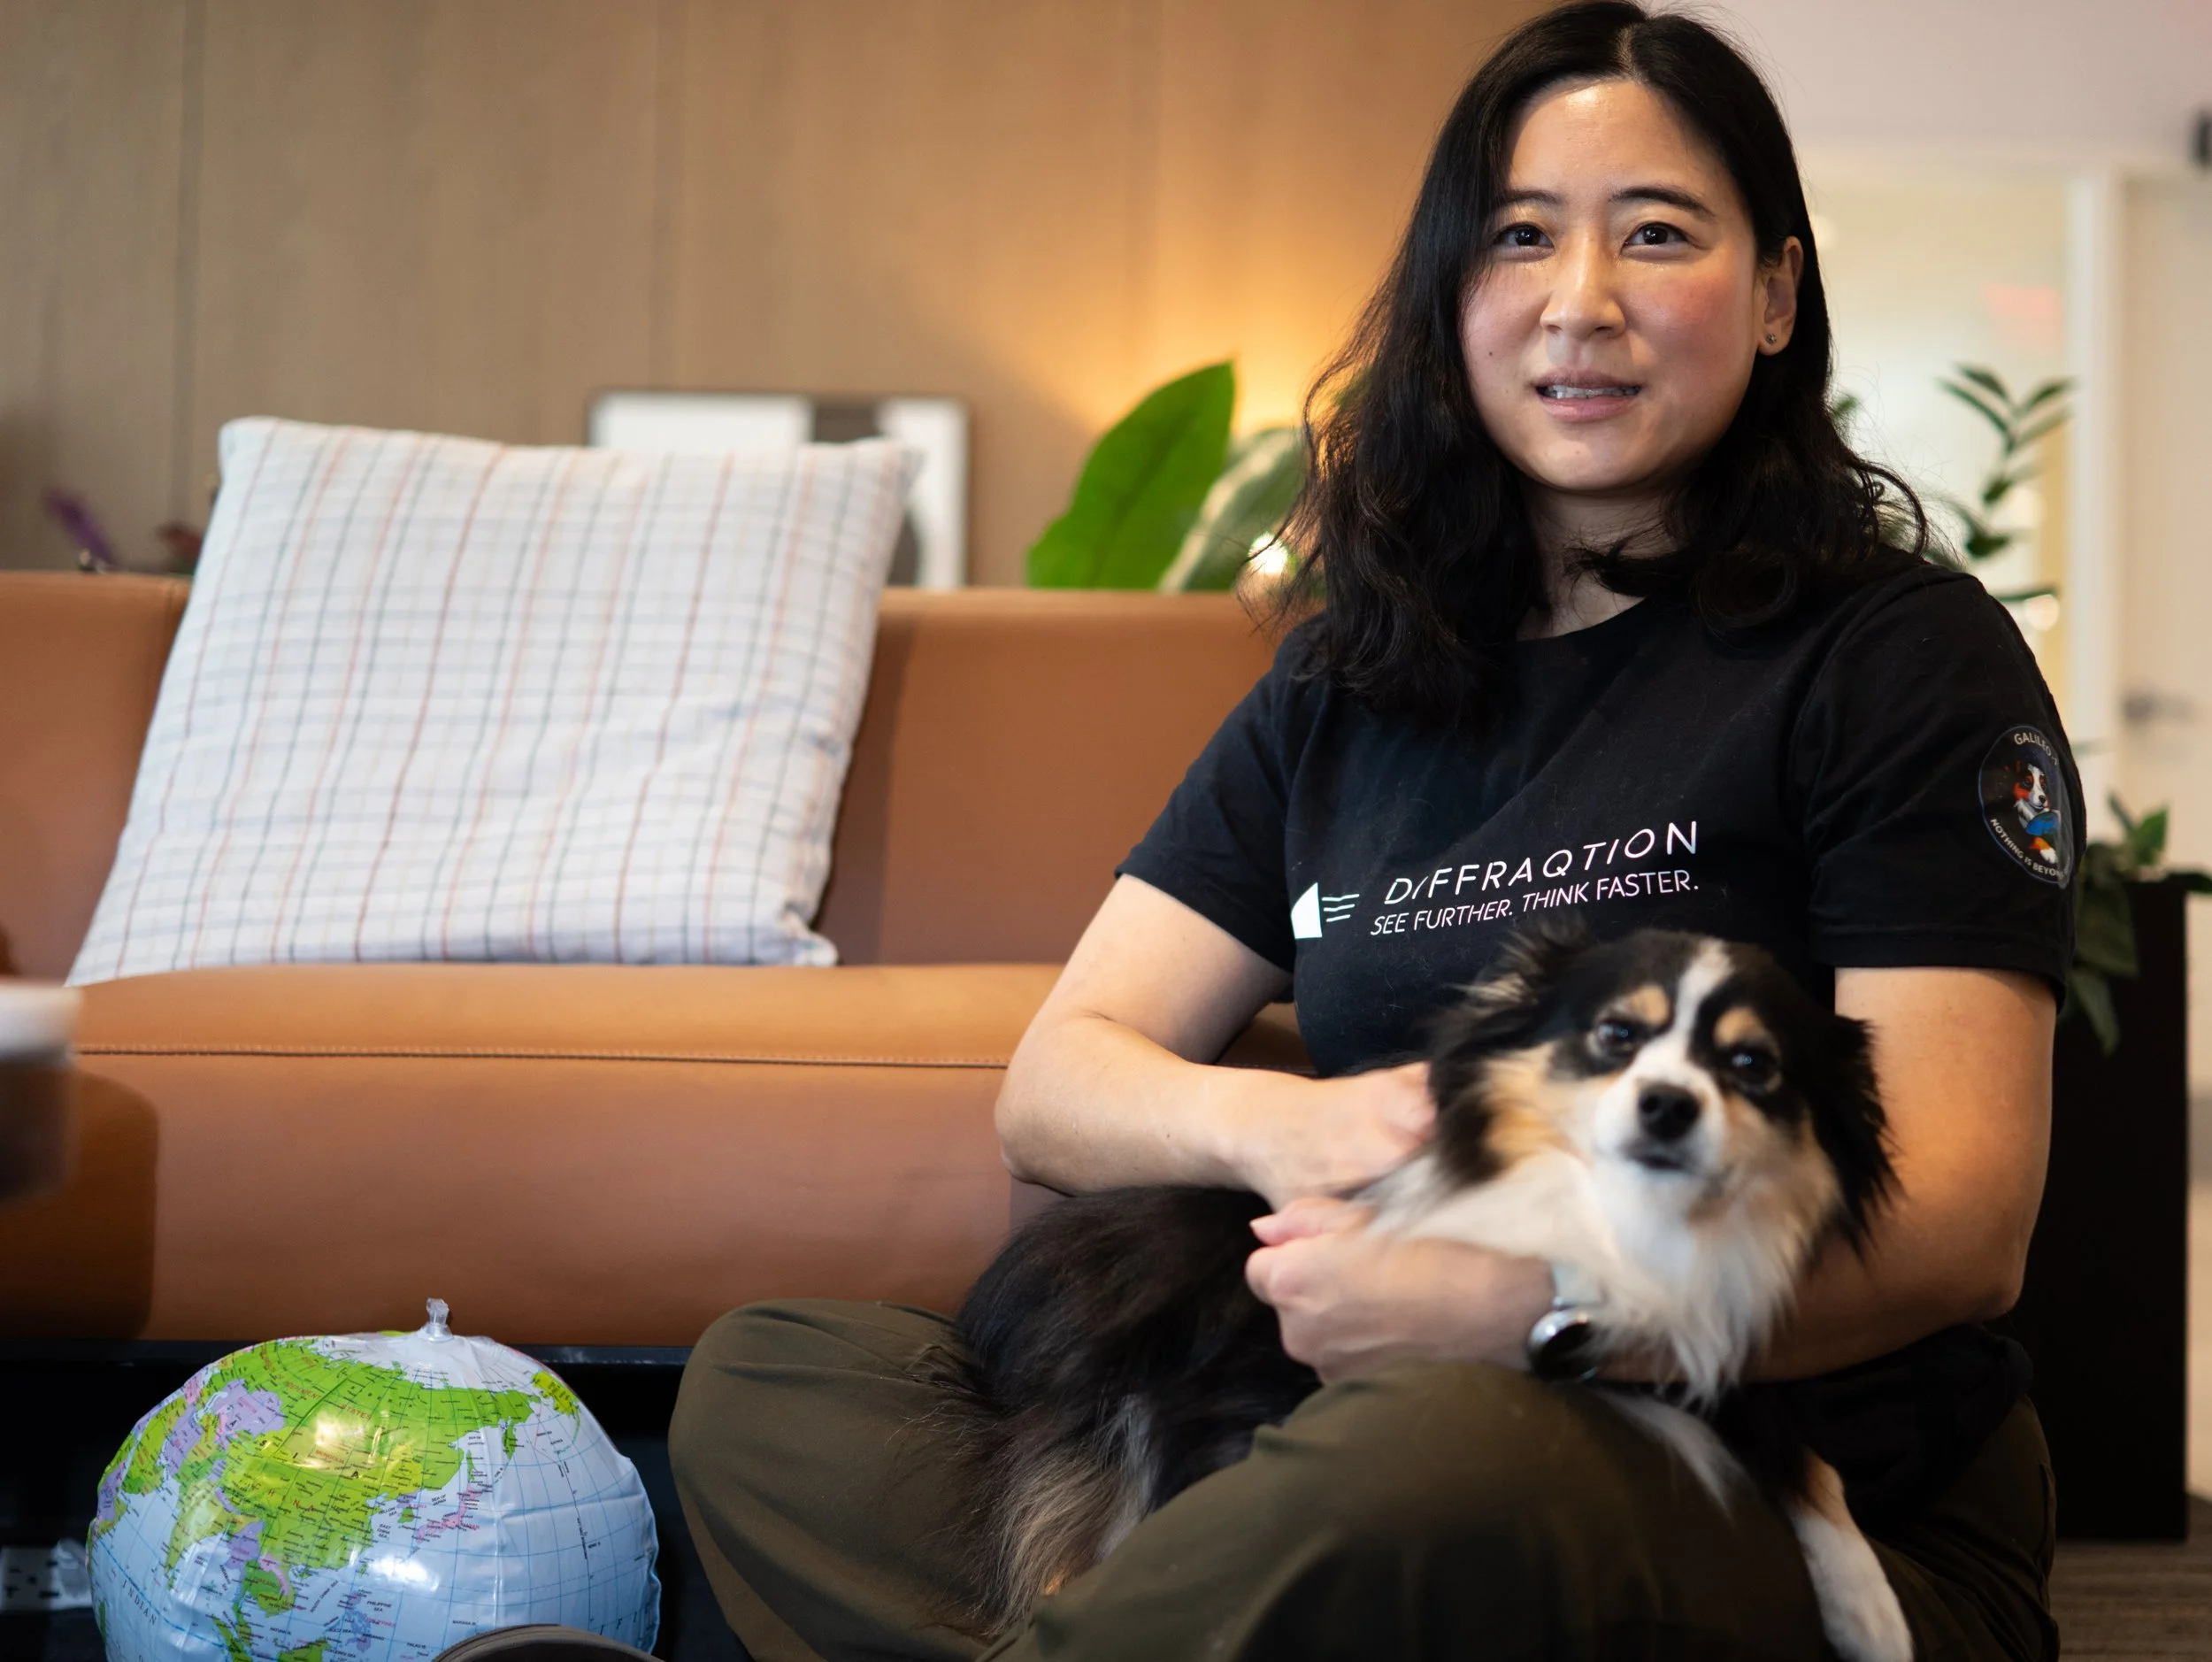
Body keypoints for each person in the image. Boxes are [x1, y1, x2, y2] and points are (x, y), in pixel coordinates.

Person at [669, 5, 2071, 1658]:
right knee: (777, 1376)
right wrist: (1285, 1131)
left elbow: (1963, 1222)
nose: (1581, 303)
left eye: (1659, 235)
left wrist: (1535, 1319)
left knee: (1433, 1455)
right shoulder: (1356, 682)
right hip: (1321, 1403)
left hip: (1775, 1460)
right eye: (1521, 238)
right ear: (1447, 300)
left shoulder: (1895, 654)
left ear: (1774, 294)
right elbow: (1060, 1084)